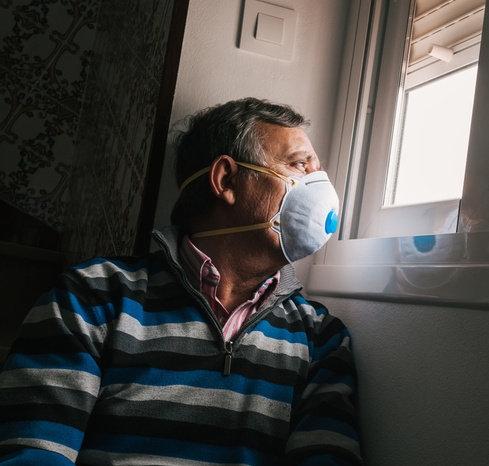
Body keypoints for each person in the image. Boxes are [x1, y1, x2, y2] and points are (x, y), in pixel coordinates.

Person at [0, 98, 361, 465]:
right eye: (300, 165)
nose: (320, 190)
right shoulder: (90, 296)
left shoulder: (320, 338)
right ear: (226, 180)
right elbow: (33, 451)